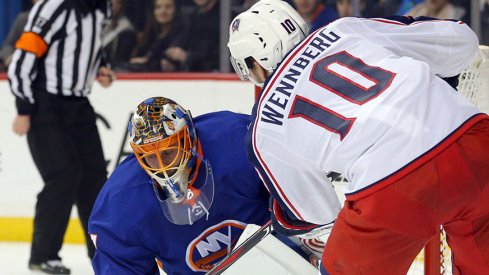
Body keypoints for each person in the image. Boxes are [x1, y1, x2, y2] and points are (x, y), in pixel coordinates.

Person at [228, 0, 489, 274]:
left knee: (340, 268)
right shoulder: (345, 29)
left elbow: (317, 216)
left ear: (254, 62)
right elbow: (461, 40)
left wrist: (289, 217)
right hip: (474, 141)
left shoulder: (264, 127)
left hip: (394, 185)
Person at [88, 97, 271, 274]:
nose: (163, 166)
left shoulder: (237, 139)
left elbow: (292, 195)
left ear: (188, 137)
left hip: (278, 260)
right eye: (151, 157)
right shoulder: (120, 205)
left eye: (168, 152)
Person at [7, 0, 114, 274]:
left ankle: (103, 252)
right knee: (62, 175)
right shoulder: (54, 6)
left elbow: (91, 44)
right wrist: (24, 108)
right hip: (45, 104)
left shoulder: (102, 7)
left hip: (79, 104)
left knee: (94, 178)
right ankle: (43, 255)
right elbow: (22, 59)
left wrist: (101, 66)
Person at [128, 0, 187, 72]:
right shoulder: (149, 35)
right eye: (158, 7)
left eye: (168, 7)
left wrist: (147, 63)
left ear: (176, 10)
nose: (163, 11)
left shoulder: (181, 36)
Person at [165, 0, 220, 72]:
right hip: (190, 78)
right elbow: (180, 44)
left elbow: (219, 61)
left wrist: (187, 57)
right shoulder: (194, 17)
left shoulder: (226, 18)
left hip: (217, 78)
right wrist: (172, 61)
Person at [0, 0, 40, 71]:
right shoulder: (23, 19)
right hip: (22, 67)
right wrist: (10, 58)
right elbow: (8, 46)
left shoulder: (60, 21)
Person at [102, 0, 137, 72]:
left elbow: (120, 61)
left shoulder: (127, 33)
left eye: (117, 2)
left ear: (122, 5)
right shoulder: (102, 25)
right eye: (110, 2)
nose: (113, 6)